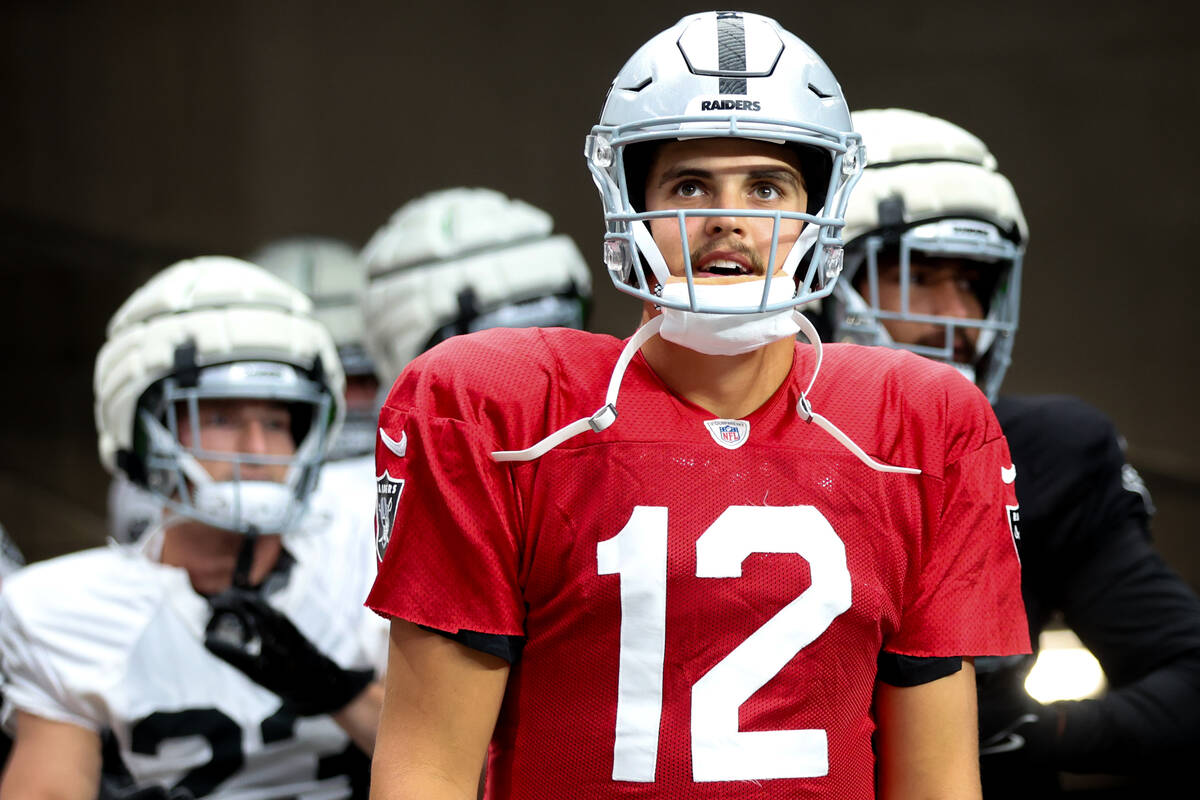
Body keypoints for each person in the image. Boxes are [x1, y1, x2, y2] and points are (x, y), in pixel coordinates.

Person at [366, 12, 1029, 800]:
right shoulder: (499, 408)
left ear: (818, 209)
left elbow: (939, 783)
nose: (727, 218)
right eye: (689, 184)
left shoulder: (918, 423)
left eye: (767, 185)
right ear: (630, 205)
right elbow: (425, 770)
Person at [823, 107, 1200, 795]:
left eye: (972, 281)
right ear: (820, 281)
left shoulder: (1046, 452)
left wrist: (1025, 730)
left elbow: (1187, 677)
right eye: (922, 274)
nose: (962, 316)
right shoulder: (704, 450)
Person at [0, 256, 386, 799]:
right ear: (145, 432)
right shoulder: (64, 613)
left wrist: (338, 693)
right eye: (221, 418)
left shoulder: (366, 554)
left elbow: (472, 777)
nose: (256, 450)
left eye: (275, 422)